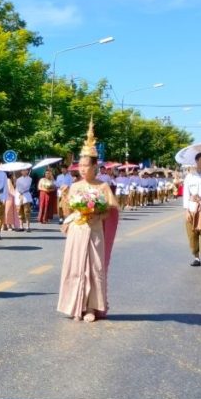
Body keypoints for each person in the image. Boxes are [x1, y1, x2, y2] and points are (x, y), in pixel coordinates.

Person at [57, 123, 119, 323]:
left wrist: (97, 215)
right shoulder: (74, 186)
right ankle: (76, 306)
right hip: (77, 230)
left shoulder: (103, 186)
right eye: (80, 166)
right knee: (75, 268)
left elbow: (111, 210)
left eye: (87, 166)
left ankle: (91, 307)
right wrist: (65, 198)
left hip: (94, 232)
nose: (83, 170)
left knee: (94, 268)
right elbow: (67, 212)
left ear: (95, 167)